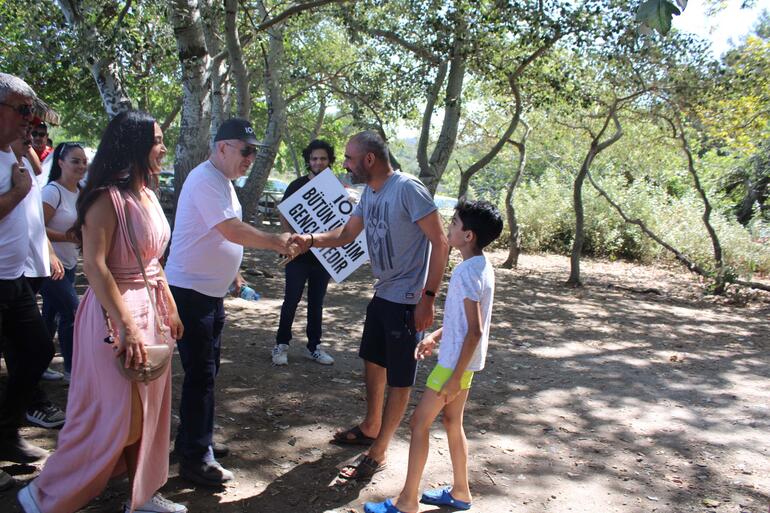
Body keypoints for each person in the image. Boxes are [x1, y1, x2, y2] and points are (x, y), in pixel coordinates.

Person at [18, 110, 187, 513]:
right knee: (113, 419)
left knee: (148, 414)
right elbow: (94, 265)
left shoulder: (147, 193)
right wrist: (126, 325)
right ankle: (45, 493)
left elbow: (154, 260)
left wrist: (172, 307)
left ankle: (142, 494)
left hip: (152, 310)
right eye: (157, 140)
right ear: (134, 145)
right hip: (115, 315)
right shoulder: (105, 198)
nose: (163, 148)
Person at [290, 130, 449, 480]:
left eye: (348, 158)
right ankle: (371, 426)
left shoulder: (407, 189)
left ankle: (379, 450)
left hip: (408, 301)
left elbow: (440, 242)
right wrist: (311, 240)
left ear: (369, 160)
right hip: (383, 295)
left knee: (400, 377)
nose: (344, 164)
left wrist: (428, 298)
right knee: (373, 363)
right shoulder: (370, 193)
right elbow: (347, 234)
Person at [165, 118, 298, 487]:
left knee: (206, 374)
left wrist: (235, 278)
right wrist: (275, 240)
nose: (251, 158)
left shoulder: (222, 182)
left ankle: (196, 439)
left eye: (255, 152)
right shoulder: (205, 180)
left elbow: (218, 237)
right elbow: (230, 230)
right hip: (190, 294)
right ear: (222, 147)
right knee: (202, 376)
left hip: (210, 293)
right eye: (246, 150)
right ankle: (194, 458)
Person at [363, 201, 503, 513]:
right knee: (453, 422)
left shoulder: (467, 272)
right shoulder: (482, 265)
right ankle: (461, 492)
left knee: (418, 424)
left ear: (468, 235)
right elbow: (465, 322)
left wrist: (453, 377)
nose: (448, 227)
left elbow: (475, 331)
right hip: (464, 365)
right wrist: (436, 335)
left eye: (454, 223)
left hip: (454, 366)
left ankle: (407, 501)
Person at [0, 73, 56, 482]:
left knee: (37, 350)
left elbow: (32, 202)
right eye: (22, 110)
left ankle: (6, 431)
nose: (30, 119)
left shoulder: (12, 154)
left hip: (14, 279)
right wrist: (16, 193)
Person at [9, 131, 67, 430]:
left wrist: (49, 252)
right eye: (23, 117)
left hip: (25, 272)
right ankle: (26, 408)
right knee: (25, 348)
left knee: (37, 348)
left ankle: (15, 419)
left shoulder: (25, 169)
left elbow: (34, 220)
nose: (33, 136)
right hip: (10, 276)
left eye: (38, 133)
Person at [271, 139, 336, 366]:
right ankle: (281, 344)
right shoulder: (297, 185)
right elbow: (284, 214)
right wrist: (291, 242)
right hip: (297, 256)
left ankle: (314, 347)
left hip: (323, 257)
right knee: (291, 300)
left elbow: (343, 224)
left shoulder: (335, 187)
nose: (318, 162)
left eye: (323, 158)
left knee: (316, 302)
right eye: (314, 158)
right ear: (309, 161)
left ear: (329, 161)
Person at [39, 142, 87, 380]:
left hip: (69, 264)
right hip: (49, 265)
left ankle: (37, 364)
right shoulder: (52, 192)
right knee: (73, 312)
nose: (81, 166)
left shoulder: (80, 193)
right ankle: (72, 369)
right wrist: (66, 237)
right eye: (75, 161)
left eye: (84, 162)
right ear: (60, 163)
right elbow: (36, 227)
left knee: (49, 316)